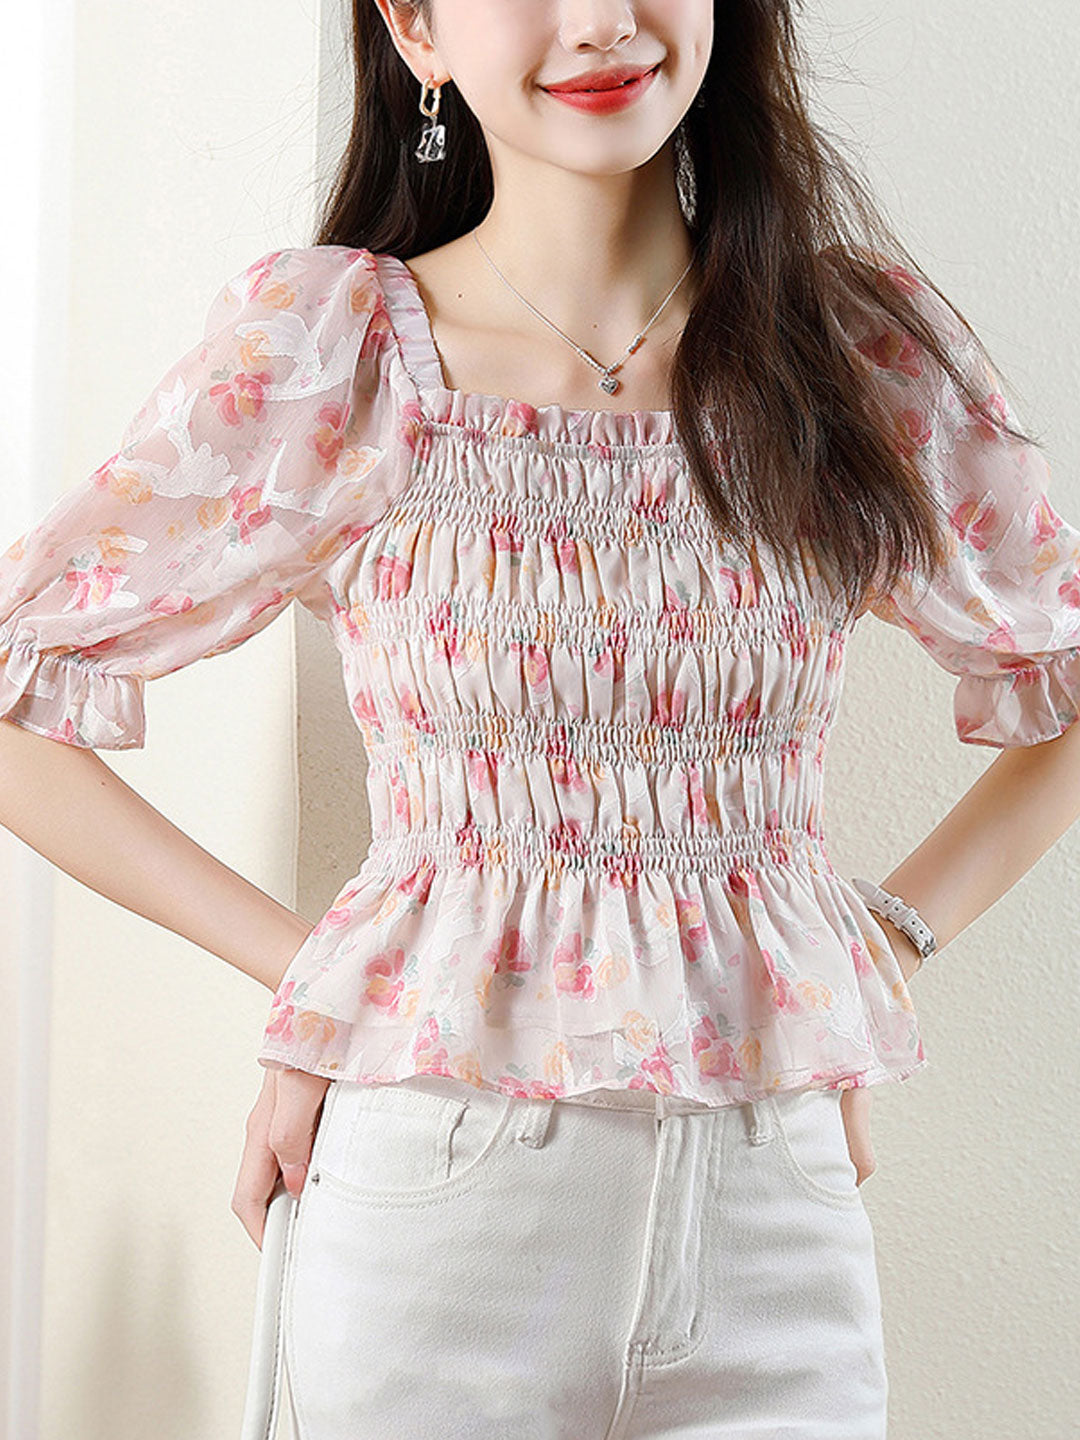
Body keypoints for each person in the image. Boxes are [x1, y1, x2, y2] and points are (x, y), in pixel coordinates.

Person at [3, 1, 1080, 1436]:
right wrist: (323, 977)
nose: (599, 22)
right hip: (441, 1200)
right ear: (416, 26)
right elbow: (20, 695)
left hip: (774, 1212)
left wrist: (880, 940)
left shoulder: (850, 353)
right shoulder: (342, 354)